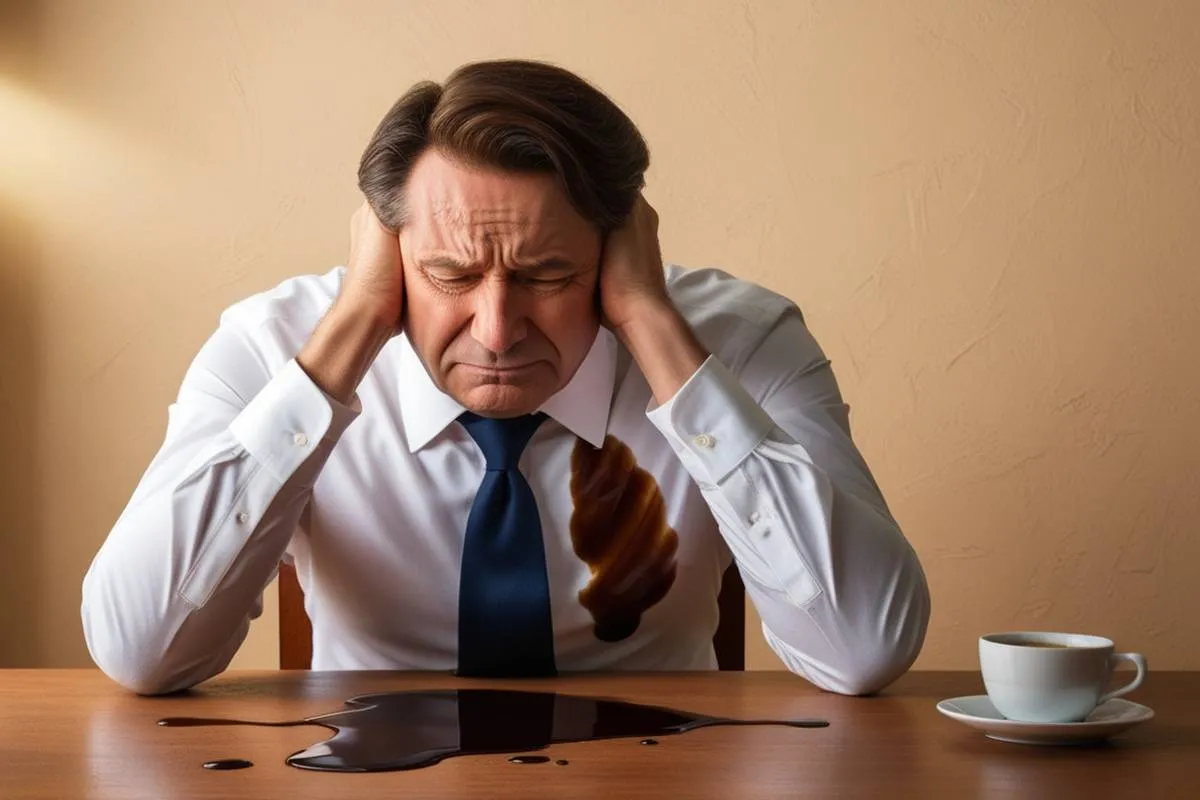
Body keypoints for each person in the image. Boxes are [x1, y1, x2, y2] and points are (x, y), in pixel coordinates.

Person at [81, 60, 929, 696]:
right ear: (386, 249)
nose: (495, 330)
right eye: (449, 275)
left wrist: (653, 327)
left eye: (548, 275)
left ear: (616, 248)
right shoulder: (274, 351)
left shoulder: (743, 343)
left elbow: (865, 650)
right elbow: (140, 653)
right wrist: (347, 338)